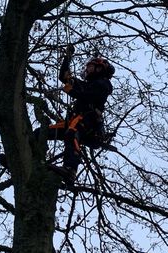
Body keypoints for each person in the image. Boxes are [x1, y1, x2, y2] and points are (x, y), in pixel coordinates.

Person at [45, 45, 115, 184]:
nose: (87, 69)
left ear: (100, 69)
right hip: (73, 122)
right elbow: (64, 77)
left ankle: (70, 169)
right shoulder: (85, 84)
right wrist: (68, 57)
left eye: (90, 66)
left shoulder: (104, 84)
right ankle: (26, 155)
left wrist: (72, 92)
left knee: (71, 133)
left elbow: (89, 96)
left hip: (88, 124)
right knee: (42, 132)